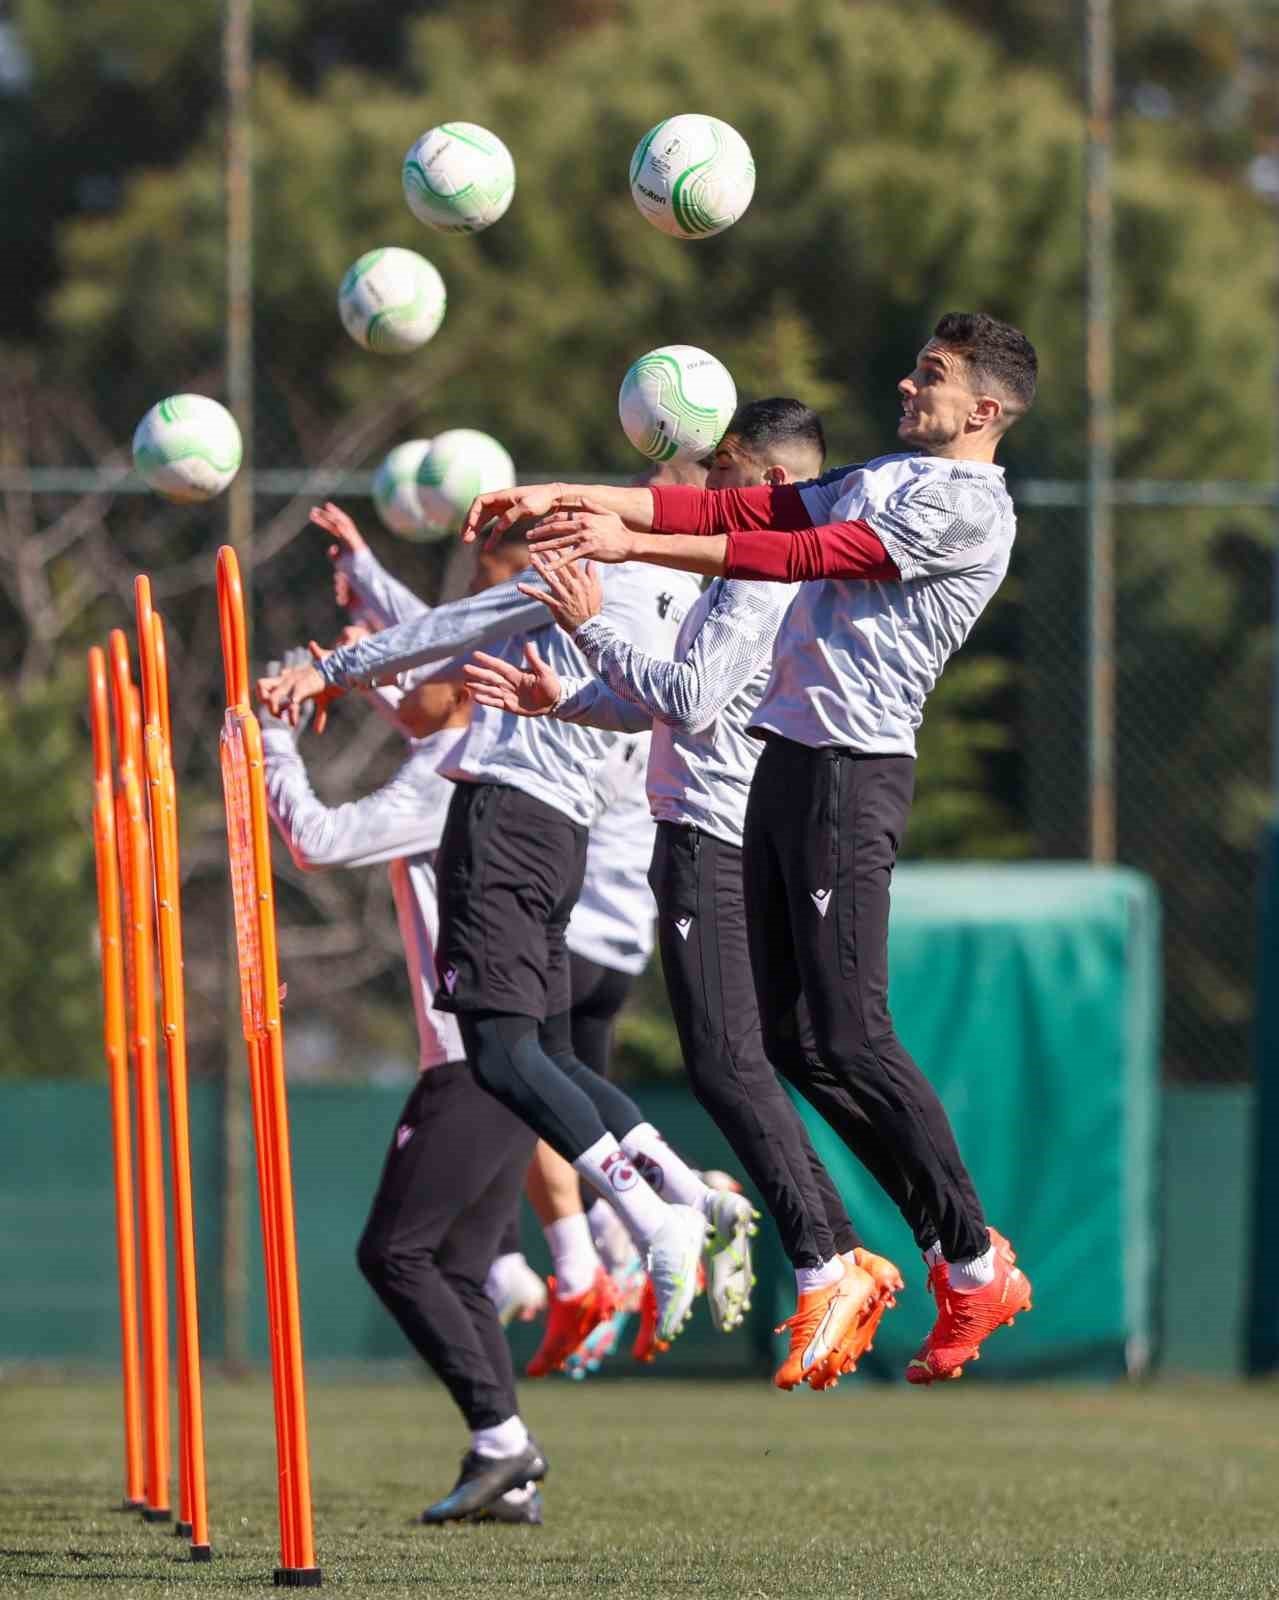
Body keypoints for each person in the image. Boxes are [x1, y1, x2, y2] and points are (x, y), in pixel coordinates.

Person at [461, 314, 1039, 1384]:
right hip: (788, 764)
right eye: (915, 366)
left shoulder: (966, 510)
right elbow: (748, 507)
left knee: (853, 1033)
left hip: (851, 776)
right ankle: (923, 1254)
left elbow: (806, 551)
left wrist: (629, 543)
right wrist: (576, 498)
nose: (909, 386)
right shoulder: (883, 475)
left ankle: (968, 1256)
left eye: (934, 376)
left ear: (986, 412)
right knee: (793, 1045)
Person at [256, 506, 760, 1369]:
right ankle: (661, 1207)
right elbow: (439, 655)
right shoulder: (655, 604)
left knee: (504, 1066)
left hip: (520, 832)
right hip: (593, 885)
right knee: (543, 1066)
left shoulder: (550, 605)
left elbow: (441, 645)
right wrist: (365, 624)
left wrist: (319, 683)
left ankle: (625, 1235)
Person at [259, 512, 545, 1526]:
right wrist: (361, 597)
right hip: (500, 1054)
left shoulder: (456, 765)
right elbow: (424, 651)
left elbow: (320, 839)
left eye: (414, 673)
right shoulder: (483, 733)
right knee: (456, 1266)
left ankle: (507, 1442)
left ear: (467, 677)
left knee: (396, 1254)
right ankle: (505, 1462)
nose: (392, 692)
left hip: (474, 1059)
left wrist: (270, 739)